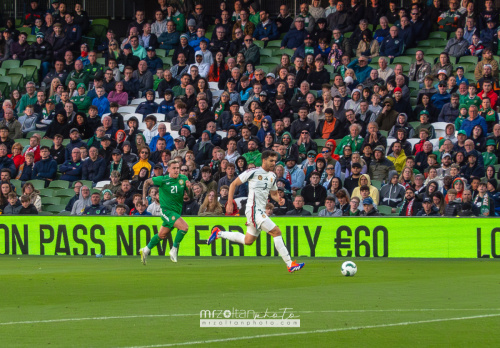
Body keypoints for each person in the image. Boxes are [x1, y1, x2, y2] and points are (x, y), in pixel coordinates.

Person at [207, 150, 304, 273]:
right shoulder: (252, 172)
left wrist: (278, 199)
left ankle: (218, 233)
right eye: (271, 161)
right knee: (276, 231)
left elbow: (273, 193)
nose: (274, 163)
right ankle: (290, 264)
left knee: (248, 241)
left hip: (259, 210)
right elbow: (233, 184)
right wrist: (230, 202)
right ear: (263, 160)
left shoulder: (272, 176)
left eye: (275, 161)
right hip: (253, 210)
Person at [140, 160, 190, 264]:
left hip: (176, 211)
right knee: (184, 227)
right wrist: (144, 198)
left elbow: (189, 196)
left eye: (178, 168)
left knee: (162, 235)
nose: (177, 170)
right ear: (168, 169)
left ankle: (146, 250)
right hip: (166, 211)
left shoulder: (183, 179)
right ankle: (174, 250)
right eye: (174, 168)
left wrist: (189, 189)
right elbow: (146, 182)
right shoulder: (163, 180)